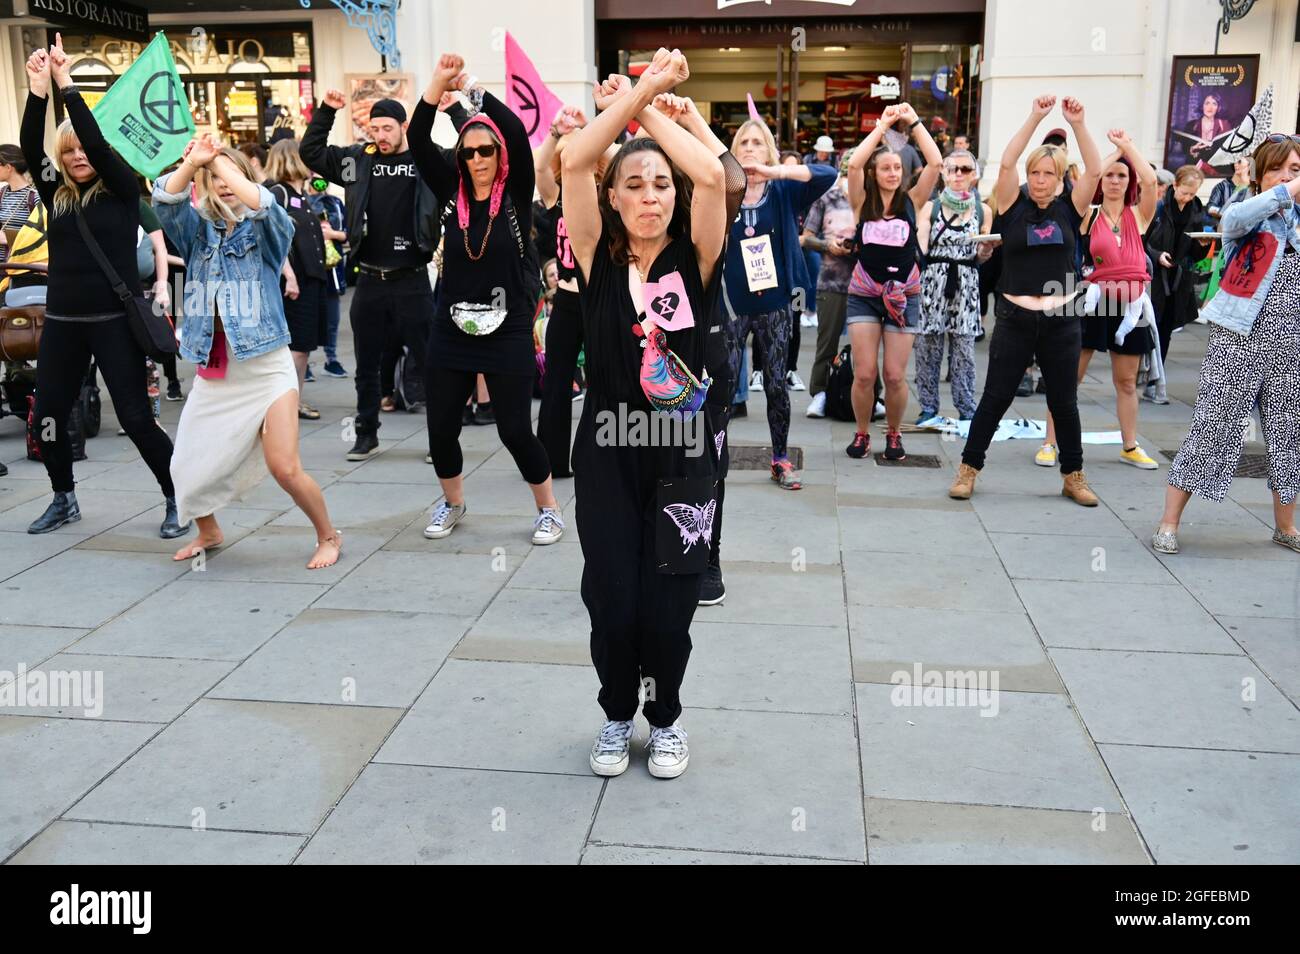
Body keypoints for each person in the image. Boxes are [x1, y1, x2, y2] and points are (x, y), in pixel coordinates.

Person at [562, 50, 741, 779]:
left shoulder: (696, 257)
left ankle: (664, 717)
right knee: (612, 595)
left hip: (681, 447)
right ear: (611, 198)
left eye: (659, 184)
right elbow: (576, 161)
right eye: (633, 185)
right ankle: (614, 713)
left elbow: (710, 176)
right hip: (607, 445)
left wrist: (657, 109)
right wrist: (636, 98)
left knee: (670, 603)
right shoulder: (595, 256)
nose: (650, 195)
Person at [19, 35, 186, 538]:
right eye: (67, 152)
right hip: (65, 324)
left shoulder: (120, 188)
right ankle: (63, 497)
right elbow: (31, 146)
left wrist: (67, 85)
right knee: (47, 416)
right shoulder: (57, 195)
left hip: (114, 323)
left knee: (136, 418)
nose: (76, 158)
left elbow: (94, 142)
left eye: (82, 150)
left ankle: (178, 496)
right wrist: (36, 90)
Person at [155, 136, 342, 569]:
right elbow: (165, 200)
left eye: (231, 176)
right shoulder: (196, 231)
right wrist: (195, 163)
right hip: (216, 370)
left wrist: (222, 166)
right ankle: (209, 530)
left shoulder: (267, 231)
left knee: (285, 467)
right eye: (214, 178)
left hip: (267, 368)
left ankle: (328, 535)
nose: (222, 185)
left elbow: (265, 207)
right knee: (184, 465)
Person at [407, 54, 562, 544]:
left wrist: (470, 87)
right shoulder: (450, 189)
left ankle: (549, 509)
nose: (477, 159)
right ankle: (453, 502)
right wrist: (436, 84)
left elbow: (515, 130)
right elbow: (417, 138)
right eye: (469, 151)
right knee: (440, 430)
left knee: (514, 430)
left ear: (498, 155)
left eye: (485, 151)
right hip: (452, 324)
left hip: (509, 324)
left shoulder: (514, 192)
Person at [948, 95, 1103, 505]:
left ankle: (1073, 476)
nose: (1039, 179)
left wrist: (1079, 123)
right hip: (1016, 316)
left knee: (1064, 402)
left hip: (1062, 317)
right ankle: (968, 468)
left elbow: (1096, 169)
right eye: (1034, 172)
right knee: (996, 397)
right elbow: (1005, 162)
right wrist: (1035, 116)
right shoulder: (1011, 205)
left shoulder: (1071, 209)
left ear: (1058, 178)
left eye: (1047, 173)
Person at [1154, 135, 1300, 555]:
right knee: (1214, 426)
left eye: (1295, 170)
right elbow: (1232, 223)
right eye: (1279, 168)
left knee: (1288, 433)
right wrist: (1285, 191)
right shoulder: (1245, 211)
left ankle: (1285, 525)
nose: (1288, 177)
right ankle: (1169, 521)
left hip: (1290, 343)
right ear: (1260, 173)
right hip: (1240, 339)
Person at [301, 89, 439, 461]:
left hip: (411, 278)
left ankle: (440, 439)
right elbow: (311, 153)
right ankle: (366, 434)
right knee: (367, 363)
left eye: (388, 128)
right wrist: (328, 110)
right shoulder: (357, 162)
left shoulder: (425, 160)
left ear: (404, 127)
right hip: (370, 279)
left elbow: (462, 162)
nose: (380, 135)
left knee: (430, 363)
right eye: (375, 128)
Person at [724, 117, 834, 489]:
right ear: (734, 152)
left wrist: (775, 171)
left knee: (775, 384)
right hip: (730, 304)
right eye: (744, 143)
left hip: (774, 303)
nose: (750, 148)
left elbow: (826, 175)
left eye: (758, 143)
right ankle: (713, 457)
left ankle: (780, 458)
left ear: (769, 152)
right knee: (722, 384)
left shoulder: (784, 192)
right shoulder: (724, 189)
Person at [1041, 132, 1160, 470]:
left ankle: (1130, 445)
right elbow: (1091, 175)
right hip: (1093, 299)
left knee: (1125, 380)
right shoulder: (1087, 214)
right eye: (1110, 175)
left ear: (1129, 181)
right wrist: (1112, 156)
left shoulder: (1138, 216)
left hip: (1131, 301)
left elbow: (1150, 181)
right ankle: (1050, 442)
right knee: (1068, 376)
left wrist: (1128, 148)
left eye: (1122, 176)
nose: (1114, 180)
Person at [843, 102, 943, 461]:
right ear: (875, 172)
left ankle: (895, 434)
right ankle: (861, 433)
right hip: (865, 293)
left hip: (904, 295)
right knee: (866, 373)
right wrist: (882, 127)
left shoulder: (912, 200)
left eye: (897, 167)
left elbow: (935, 163)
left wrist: (913, 120)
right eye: (885, 167)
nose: (892, 172)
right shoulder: (861, 200)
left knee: (895, 375)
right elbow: (854, 163)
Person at [915, 147, 993, 423]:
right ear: (944, 174)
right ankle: (928, 406)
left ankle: (966, 406)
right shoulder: (930, 207)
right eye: (953, 169)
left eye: (965, 169)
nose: (959, 174)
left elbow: (982, 255)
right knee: (928, 346)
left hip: (967, 283)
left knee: (964, 349)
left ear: (975, 175)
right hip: (934, 280)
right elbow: (921, 245)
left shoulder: (983, 210)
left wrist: (986, 250)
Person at [265, 140, 329, 422]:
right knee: (296, 348)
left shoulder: (299, 195)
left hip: (311, 279)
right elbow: (270, 238)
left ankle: (294, 401)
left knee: (302, 347)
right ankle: (286, 404)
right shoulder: (277, 192)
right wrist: (288, 275)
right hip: (294, 281)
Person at [1144, 164, 1209, 403]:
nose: (1188, 197)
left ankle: (1155, 378)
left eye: (1192, 194)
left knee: (1167, 327)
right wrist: (1156, 255)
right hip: (1156, 276)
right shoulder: (1160, 207)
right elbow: (1143, 241)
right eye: (1185, 192)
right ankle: (1149, 374)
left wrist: (1203, 245)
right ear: (1175, 185)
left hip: (1178, 276)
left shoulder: (1195, 212)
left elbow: (1196, 252)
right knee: (1152, 326)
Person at [802, 152, 857, 418]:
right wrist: (828, 245)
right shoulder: (827, 197)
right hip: (831, 280)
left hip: (867, 282)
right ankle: (820, 392)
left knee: (867, 346)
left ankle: (871, 394)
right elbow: (806, 238)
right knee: (827, 341)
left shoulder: (873, 200)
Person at [308, 172, 349, 378]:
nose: (318, 182)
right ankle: (303, 362)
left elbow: (349, 233)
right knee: (308, 318)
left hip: (332, 269)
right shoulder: (300, 201)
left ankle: (331, 359)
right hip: (307, 270)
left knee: (332, 319)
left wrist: (332, 234)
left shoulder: (335, 204)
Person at [0, 143, 38, 263]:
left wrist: (7, 239)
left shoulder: (33, 197)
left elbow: (41, 236)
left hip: (22, 267)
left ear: (8, 167)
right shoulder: (2, 193)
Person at [1206, 156, 1252, 225]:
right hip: (1225, 228)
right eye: (1235, 161)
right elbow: (1211, 207)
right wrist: (1225, 213)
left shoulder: (1254, 187)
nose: (1236, 164)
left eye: (1239, 162)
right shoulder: (1222, 187)